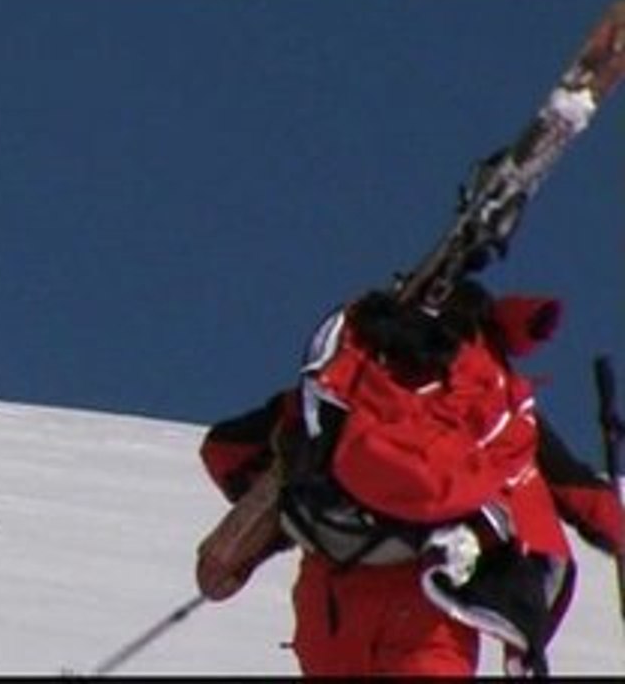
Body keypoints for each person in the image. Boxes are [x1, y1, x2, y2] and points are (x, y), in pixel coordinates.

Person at [195, 279, 624, 676]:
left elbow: (224, 452)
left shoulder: (343, 395)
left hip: (329, 599)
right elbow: (586, 498)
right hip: (430, 609)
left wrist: (301, 517)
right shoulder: (491, 418)